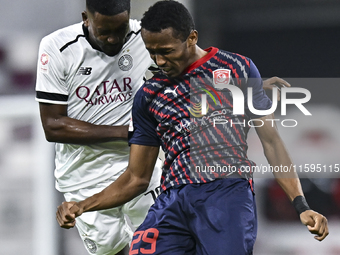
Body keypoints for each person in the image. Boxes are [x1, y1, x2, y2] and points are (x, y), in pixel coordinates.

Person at [54, 0, 320, 254]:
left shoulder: (238, 68)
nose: (159, 61)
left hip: (225, 193)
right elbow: (136, 178)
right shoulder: (149, 95)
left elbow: (272, 142)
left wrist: (301, 204)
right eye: (152, 52)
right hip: (172, 199)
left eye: (167, 51)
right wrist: (81, 205)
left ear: (192, 38)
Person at [35, 1, 165, 254]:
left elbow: (189, 63)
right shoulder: (57, 47)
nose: (114, 38)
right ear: (86, 18)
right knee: (110, 251)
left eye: (121, 29)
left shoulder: (143, 37)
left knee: (162, 244)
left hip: (139, 165)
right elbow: (53, 126)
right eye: (105, 31)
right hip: (82, 175)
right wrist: (128, 133)